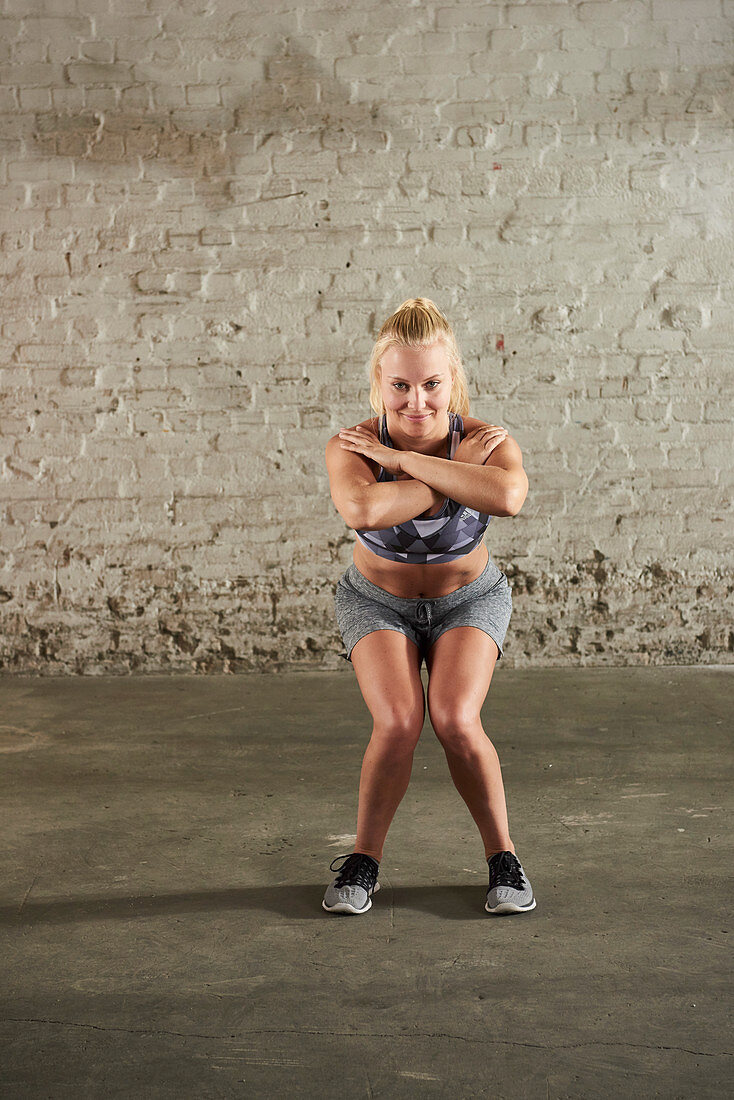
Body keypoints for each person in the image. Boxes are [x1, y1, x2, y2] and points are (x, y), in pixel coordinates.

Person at [322, 298, 536, 917]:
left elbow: (509, 497)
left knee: (455, 718)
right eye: (400, 386)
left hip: (468, 598)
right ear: (378, 385)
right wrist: (450, 472)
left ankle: (504, 858)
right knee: (396, 723)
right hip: (375, 601)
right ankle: (363, 861)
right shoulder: (354, 446)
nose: (417, 401)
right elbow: (363, 511)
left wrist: (410, 464)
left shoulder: (486, 439)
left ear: (453, 381)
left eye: (432, 384)